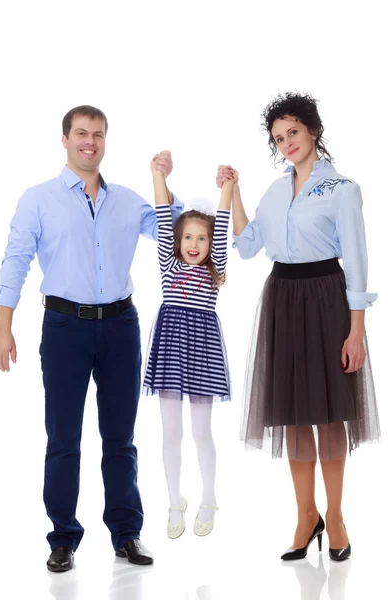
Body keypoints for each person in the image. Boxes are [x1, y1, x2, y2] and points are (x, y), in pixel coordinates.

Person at [0, 105, 183, 571]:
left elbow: (172, 231)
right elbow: (15, 260)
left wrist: (163, 181)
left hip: (120, 326)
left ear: (104, 141)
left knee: (121, 438)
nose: (89, 142)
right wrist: (2, 327)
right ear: (65, 139)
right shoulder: (38, 199)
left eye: (97, 134)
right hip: (64, 328)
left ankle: (126, 534)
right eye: (81, 133)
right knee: (63, 438)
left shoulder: (128, 200)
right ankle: (63, 538)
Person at [217, 92, 380, 561]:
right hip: (282, 298)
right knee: (292, 418)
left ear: (312, 130)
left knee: (329, 414)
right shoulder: (274, 190)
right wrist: (237, 193)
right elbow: (248, 247)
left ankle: (338, 517)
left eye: (293, 132)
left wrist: (356, 331)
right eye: (278, 138)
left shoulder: (343, 189)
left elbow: (359, 263)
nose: (287, 142)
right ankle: (305, 516)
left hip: (327, 298)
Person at [143, 151, 235, 538]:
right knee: (170, 433)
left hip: (202, 350)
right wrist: (158, 175)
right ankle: (173, 500)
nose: (194, 244)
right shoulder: (169, 263)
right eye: (188, 238)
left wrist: (228, 187)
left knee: (201, 432)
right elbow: (164, 216)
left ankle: (209, 497)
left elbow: (225, 222)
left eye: (202, 238)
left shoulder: (216, 269)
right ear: (177, 242)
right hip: (170, 347)